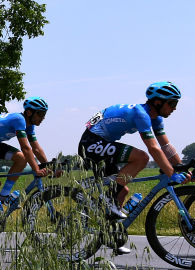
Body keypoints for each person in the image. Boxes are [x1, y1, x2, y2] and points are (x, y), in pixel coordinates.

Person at [79, 82, 185, 224]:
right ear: (158, 102)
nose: (175, 108)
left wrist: (181, 167)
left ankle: (112, 235)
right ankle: (108, 198)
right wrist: (172, 174)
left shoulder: (155, 118)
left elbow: (165, 145)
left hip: (101, 143)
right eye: (172, 103)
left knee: (122, 191)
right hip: (90, 143)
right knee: (141, 158)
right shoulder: (141, 114)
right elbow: (153, 148)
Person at [0, 97, 51, 209]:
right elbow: (26, 147)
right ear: (29, 112)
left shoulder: (29, 126)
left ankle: (4, 195)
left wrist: (48, 166)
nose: (43, 118)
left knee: (21, 159)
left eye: (44, 114)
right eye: (40, 114)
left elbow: (36, 148)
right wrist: (36, 169)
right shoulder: (19, 119)